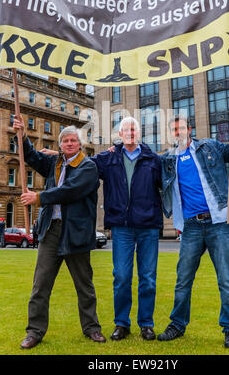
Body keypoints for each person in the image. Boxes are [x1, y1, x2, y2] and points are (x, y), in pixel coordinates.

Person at [158, 105, 229, 349]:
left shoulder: (209, 147)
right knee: (183, 280)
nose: (178, 132)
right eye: (174, 129)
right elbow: (144, 164)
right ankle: (177, 324)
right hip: (191, 227)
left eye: (181, 128)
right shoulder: (168, 160)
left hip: (217, 223)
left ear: (189, 129)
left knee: (226, 280)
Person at [13, 115, 106, 349]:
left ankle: (92, 328)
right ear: (60, 145)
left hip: (76, 233)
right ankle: (34, 331)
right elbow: (32, 157)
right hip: (51, 231)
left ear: (79, 144)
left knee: (84, 286)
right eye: (65, 141)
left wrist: (39, 197)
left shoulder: (88, 166)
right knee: (40, 286)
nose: (70, 144)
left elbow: (70, 190)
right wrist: (23, 134)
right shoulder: (54, 163)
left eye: (74, 141)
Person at [94, 117, 163, 341]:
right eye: (126, 130)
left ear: (139, 133)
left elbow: (168, 185)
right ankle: (121, 323)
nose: (130, 133)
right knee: (122, 276)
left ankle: (146, 324)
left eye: (134, 129)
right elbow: (82, 163)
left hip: (148, 226)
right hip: (121, 226)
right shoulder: (109, 157)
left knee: (148, 278)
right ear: (120, 134)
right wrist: (57, 155)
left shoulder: (153, 159)